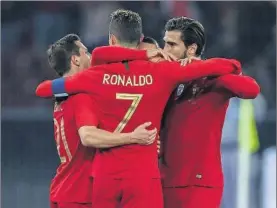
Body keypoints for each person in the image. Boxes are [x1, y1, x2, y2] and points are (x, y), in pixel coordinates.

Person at [35, 9, 241, 208]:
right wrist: (212, 63)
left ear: (112, 40)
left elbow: (44, 89)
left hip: (105, 177)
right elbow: (223, 66)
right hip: (143, 176)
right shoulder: (163, 70)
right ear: (140, 39)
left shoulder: (94, 76)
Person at [80, 17, 260, 208]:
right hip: (165, 180)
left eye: (172, 44)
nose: (165, 49)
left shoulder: (212, 80)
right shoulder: (167, 82)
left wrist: (208, 67)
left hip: (199, 182)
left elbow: (251, 89)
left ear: (191, 49)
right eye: (165, 42)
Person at [47, 34, 157, 208]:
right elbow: (88, 136)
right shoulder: (81, 96)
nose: (91, 56)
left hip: (64, 187)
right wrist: (135, 138)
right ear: (75, 60)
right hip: (80, 193)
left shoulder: (62, 95)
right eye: (86, 52)